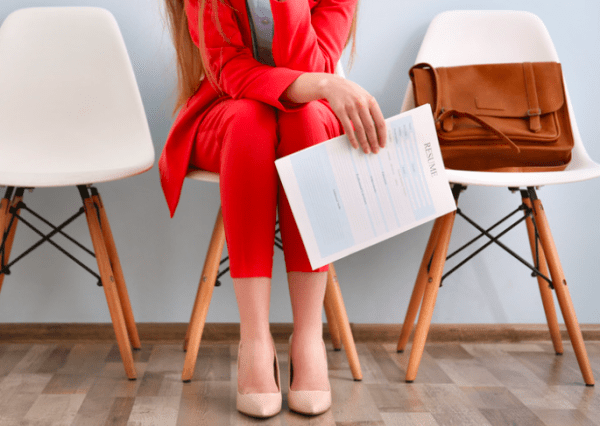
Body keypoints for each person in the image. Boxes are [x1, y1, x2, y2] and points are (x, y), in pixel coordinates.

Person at [160, 0, 386, 418]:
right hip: (227, 111)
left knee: (305, 121)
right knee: (251, 120)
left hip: (311, 119)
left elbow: (314, 67)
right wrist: (323, 84)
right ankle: (254, 340)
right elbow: (232, 73)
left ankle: (308, 338)